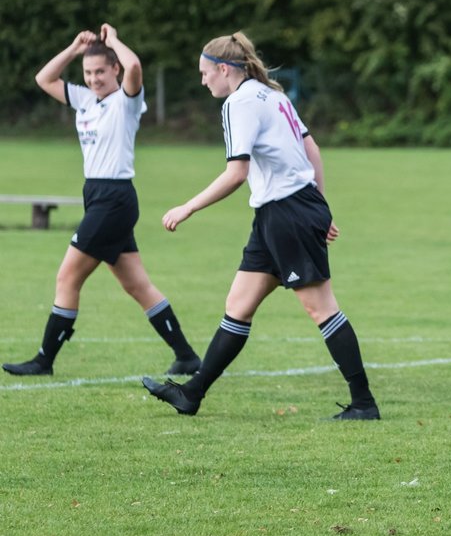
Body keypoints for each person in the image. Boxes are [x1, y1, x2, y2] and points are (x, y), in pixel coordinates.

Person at [139, 31, 379, 420]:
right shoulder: (275, 95)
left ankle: (364, 404)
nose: (203, 81)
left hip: (288, 212)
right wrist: (322, 205)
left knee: (322, 309)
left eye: (204, 73)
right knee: (238, 306)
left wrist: (188, 207)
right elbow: (311, 148)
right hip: (281, 212)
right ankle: (192, 394)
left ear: (223, 69)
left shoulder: (239, 102)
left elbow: (237, 172)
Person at [3, 25, 201, 378]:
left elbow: (136, 68)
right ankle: (186, 356)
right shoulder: (84, 99)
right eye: (88, 73)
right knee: (137, 285)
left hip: (114, 199)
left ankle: (44, 360)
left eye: (100, 72)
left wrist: (114, 42)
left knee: (67, 278)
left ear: (115, 71)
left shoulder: (126, 101)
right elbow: (44, 79)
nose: (94, 79)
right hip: (97, 197)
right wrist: (74, 49)